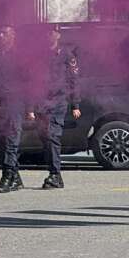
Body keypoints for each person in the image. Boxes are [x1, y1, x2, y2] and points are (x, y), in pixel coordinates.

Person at [0, 22, 35, 194]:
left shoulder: (21, 57)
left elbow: (29, 84)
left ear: (13, 36)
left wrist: (30, 108)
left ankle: (7, 176)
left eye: (5, 33)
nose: (1, 36)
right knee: (0, 141)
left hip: (15, 103)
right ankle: (15, 176)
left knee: (11, 141)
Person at [39, 24, 81, 190]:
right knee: (44, 137)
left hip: (59, 101)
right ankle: (53, 172)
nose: (49, 35)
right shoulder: (40, 55)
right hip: (42, 102)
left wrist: (75, 104)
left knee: (52, 136)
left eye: (53, 32)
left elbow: (74, 80)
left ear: (58, 35)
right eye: (47, 33)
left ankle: (55, 174)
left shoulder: (66, 55)